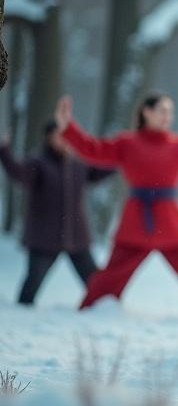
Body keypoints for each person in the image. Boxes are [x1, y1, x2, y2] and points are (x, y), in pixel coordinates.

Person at [58, 93, 178, 309]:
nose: (168, 116)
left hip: (170, 222)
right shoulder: (128, 142)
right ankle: (94, 308)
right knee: (111, 276)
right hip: (136, 220)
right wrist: (68, 128)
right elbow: (94, 149)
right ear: (146, 112)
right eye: (162, 111)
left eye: (170, 112)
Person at [1, 122, 114, 305]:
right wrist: (4, 151)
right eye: (60, 135)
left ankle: (104, 310)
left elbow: (100, 172)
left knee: (95, 282)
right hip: (44, 238)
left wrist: (120, 157)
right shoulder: (38, 162)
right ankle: (21, 315)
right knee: (32, 284)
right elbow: (18, 173)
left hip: (76, 236)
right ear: (49, 137)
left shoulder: (78, 162)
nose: (65, 140)